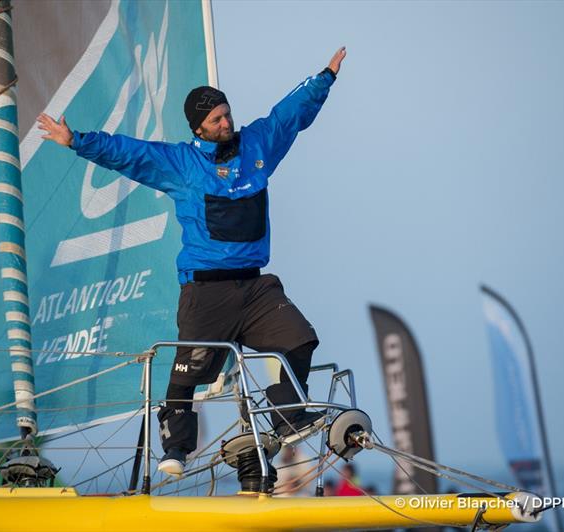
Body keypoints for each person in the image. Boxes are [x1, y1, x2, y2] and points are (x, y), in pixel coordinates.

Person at [37, 47, 347, 477]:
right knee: (186, 377)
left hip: (256, 288)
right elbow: (129, 153)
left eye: (227, 113)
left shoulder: (257, 145)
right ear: (198, 127)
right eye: (217, 119)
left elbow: (289, 115)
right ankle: (176, 449)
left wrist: (324, 79)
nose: (227, 123)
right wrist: (76, 141)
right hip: (207, 291)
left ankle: (286, 416)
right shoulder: (181, 164)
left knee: (300, 339)